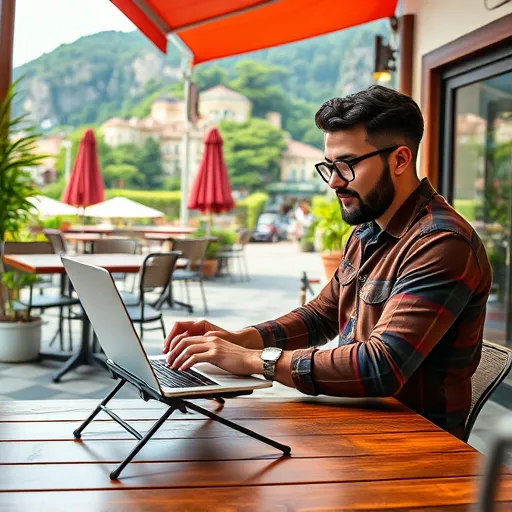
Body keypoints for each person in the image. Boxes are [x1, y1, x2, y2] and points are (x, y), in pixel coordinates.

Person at [163, 85, 492, 439]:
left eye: (347, 165)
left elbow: (381, 366)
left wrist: (253, 361)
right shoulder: (369, 229)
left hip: (414, 444)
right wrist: (240, 339)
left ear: (399, 160)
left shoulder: (442, 243)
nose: (334, 182)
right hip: (358, 421)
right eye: (330, 166)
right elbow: (321, 315)